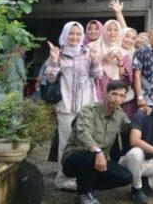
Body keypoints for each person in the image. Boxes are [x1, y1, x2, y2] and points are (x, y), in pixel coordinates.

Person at [47, 22, 104, 191]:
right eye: (71, 33)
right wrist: (54, 61)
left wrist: (95, 58)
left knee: (86, 143)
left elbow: (98, 75)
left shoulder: (87, 53)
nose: (75, 37)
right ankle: (63, 178)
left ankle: (82, 177)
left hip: (86, 107)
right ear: (65, 34)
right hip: (65, 107)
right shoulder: (58, 53)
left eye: (78, 34)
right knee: (66, 144)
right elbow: (50, 78)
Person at [61, 80, 132, 204]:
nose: (117, 99)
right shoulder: (89, 110)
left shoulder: (121, 116)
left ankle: (87, 187)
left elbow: (131, 130)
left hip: (99, 161)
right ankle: (83, 194)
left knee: (126, 177)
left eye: (121, 96)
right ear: (106, 93)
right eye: (114, 94)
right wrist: (98, 151)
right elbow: (83, 133)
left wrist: (145, 114)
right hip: (74, 157)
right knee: (91, 157)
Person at [90, 19, 124, 99]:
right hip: (96, 86)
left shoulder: (122, 50)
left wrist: (120, 62)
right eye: (109, 30)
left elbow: (122, 74)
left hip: (114, 88)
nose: (112, 33)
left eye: (116, 30)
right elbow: (87, 70)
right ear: (104, 30)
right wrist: (103, 61)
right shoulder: (92, 47)